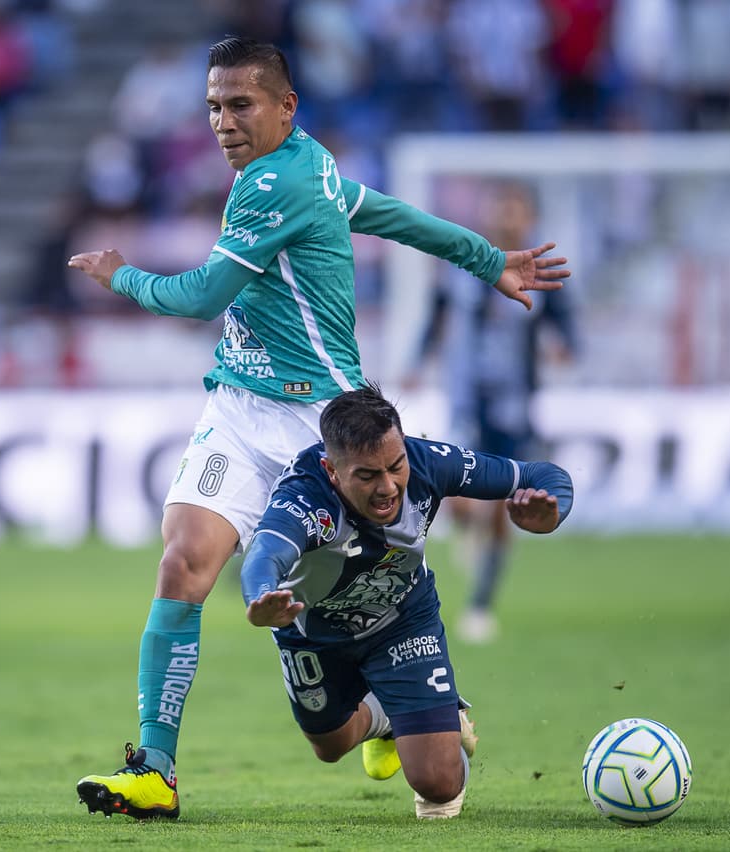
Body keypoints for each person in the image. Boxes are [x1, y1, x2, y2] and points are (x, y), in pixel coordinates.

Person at [67, 37, 570, 820]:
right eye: (213, 107)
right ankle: (155, 772)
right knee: (182, 567)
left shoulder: (278, 180)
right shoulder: (309, 167)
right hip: (238, 409)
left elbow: (202, 295)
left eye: (241, 104)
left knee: (347, 616)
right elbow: (391, 215)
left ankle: (404, 704)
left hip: (323, 426)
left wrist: (119, 274)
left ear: (285, 106)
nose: (224, 122)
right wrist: (482, 258)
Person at [239, 385, 573, 818]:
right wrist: (262, 596)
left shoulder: (428, 461)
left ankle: (435, 720)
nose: (388, 486)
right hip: (312, 630)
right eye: (367, 475)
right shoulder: (305, 496)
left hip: (402, 619)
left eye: (395, 467)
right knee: (331, 745)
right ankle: (390, 719)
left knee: (438, 787)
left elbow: (545, 476)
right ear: (332, 470)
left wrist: (553, 512)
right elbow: (264, 555)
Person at [414, 180, 579, 643]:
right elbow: (436, 316)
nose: (508, 218)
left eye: (517, 210)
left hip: (514, 404)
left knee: (511, 502)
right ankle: (468, 529)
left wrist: (566, 346)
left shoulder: (543, 272)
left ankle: (481, 604)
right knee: (462, 501)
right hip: (466, 398)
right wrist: (417, 361)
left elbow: (564, 322)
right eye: (501, 209)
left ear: (529, 218)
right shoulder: (461, 266)